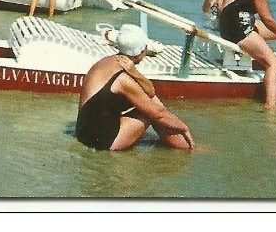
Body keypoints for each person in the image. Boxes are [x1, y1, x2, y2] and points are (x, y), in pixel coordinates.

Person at [75, 24, 194, 152]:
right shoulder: (123, 80)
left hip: (84, 133)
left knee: (152, 102)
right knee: (152, 112)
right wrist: (184, 127)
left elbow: (150, 92)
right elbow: (158, 114)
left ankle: (184, 146)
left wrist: (136, 73)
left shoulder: (107, 61)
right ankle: (189, 149)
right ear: (142, 50)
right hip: (100, 141)